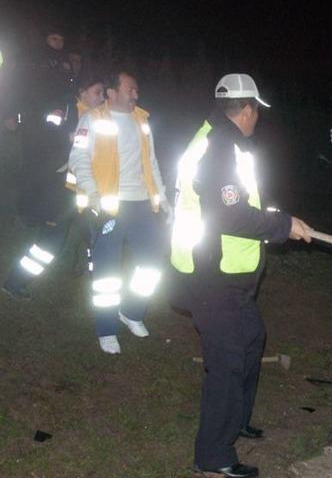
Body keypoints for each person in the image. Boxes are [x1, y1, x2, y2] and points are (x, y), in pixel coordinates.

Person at [170, 73, 312, 478]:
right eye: (256, 112)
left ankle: (236, 421)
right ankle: (213, 455)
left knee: (251, 338)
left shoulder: (223, 141)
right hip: (212, 273)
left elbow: (234, 203)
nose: (257, 119)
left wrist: (277, 219)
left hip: (226, 271)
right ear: (246, 110)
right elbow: (228, 215)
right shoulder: (218, 147)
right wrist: (283, 225)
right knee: (228, 360)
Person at [68, 70, 171, 354]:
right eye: (130, 90)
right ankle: (106, 328)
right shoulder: (92, 119)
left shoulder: (141, 120)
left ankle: (131, 311)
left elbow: (151, 161)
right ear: (112, 92)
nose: (136, 94)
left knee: (152, 263)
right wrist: (93, 195)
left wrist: (163, 198)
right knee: (107, 271)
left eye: (136, 90)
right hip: (109, 206)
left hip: (142, 204)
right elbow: (78, 157)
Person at [2, 71, 105, 299]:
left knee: (95, 234)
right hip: (58, 191)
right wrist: (67, 140)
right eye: (97, 92)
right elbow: (43, 137)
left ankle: (93, 276)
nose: (101, 97)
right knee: (51, 242)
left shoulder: (99, 117)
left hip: (83, 190)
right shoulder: (64, 110)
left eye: (103, 93)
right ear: (82, 92)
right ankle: (15, 282)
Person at [12, 26, 76, 224]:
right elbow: (25, 89)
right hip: (35, 123)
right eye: (54, 38)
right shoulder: (35, 60)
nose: (58, 43)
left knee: (52, 167)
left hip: (57, 125)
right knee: (32, 165)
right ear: (46, 39)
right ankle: (26, 212)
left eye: (61, 39)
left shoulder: (64, 62)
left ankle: (46, 212)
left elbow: (67, 90)